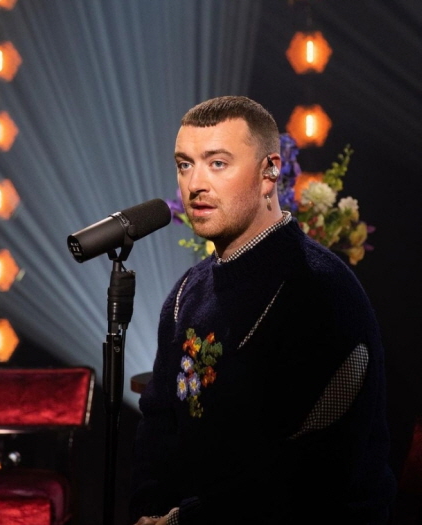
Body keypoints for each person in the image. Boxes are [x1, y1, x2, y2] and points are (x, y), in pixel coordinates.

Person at [129, 95, 397, 525]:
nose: (195, 183)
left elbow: (309, 469)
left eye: (217, 163)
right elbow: (157, 425)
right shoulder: (187, 293)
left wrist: (181, 521)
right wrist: (148, 512)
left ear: (270, 172)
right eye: (185, 164)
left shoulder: (322, 290)